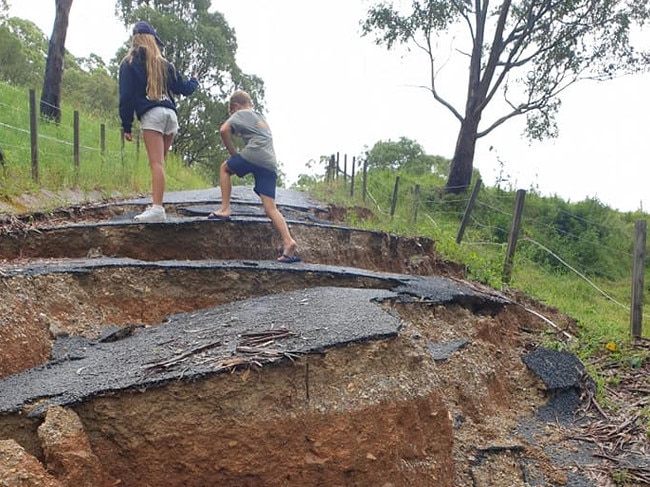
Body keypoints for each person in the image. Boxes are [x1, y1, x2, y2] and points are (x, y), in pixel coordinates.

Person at [119, 21, 199, 222]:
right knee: (159, 163)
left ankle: (157, 208)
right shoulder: (165, 64)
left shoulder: (129, 63)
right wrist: (195, 80)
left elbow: (126, 97)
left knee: (156, 163)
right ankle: (156, 202)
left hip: (152, 114)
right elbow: (185, 88)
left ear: (135, 38)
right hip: (171, 116)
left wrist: (126, 125)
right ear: (153, 40)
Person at [209, 90, 300, 263]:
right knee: (270, 208)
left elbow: (224, 130)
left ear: (235, 106)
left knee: (225, 169)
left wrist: (233, 153)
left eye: (232, 112)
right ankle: (289, 242)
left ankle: (225, 209)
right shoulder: (260, 117)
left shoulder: (242, 112)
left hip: (255, 154)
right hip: (270, 162)